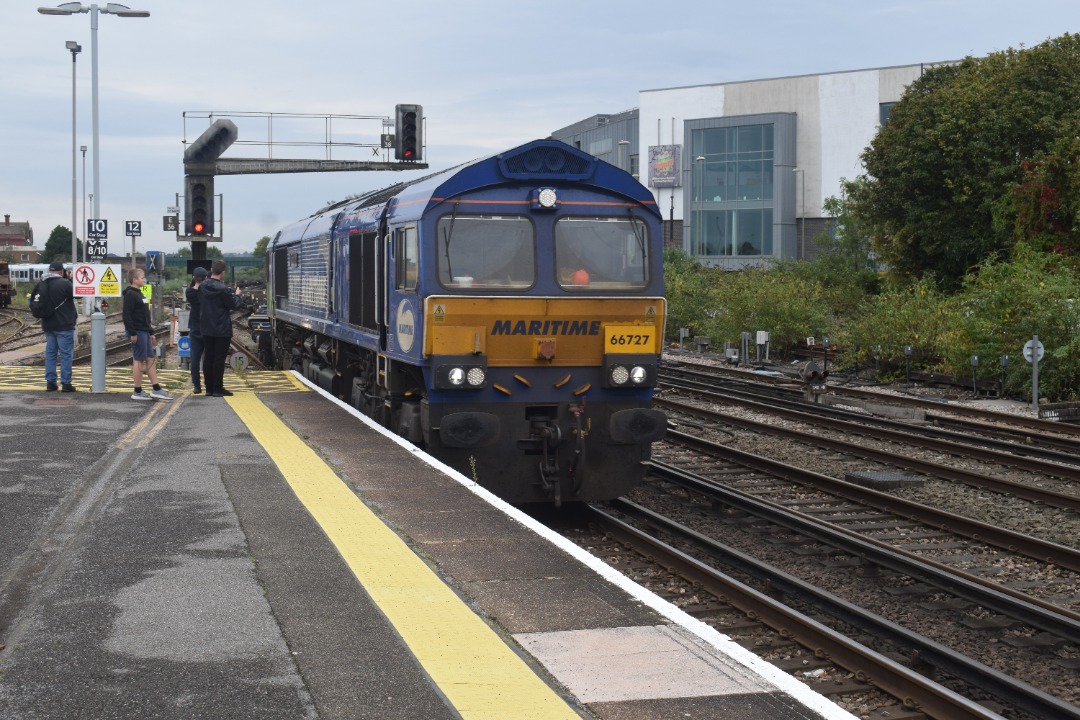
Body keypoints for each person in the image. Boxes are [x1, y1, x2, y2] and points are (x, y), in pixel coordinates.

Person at [122, 267, 172, 401]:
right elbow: (126, 315)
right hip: (137, 331)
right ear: (134, 279)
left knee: (150, 358)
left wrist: (150, 332)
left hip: (144, 331)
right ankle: (137, 391)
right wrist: (132, 333)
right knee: (139, 360)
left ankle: (156, 389)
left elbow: (144, 315)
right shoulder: (130, 294)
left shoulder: (139, 293)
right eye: (142, 277)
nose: (144, 279)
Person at [199, 259, 243, 397]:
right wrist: (237, 295)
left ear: (211, 270)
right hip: (221, 328)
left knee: (208, 357)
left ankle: (208, 388)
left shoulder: (202, 286)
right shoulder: (223, 289)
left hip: (206, 326)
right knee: (219, 358)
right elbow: (234, 305)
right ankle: (218, 388)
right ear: (223, 273)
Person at [38, 261, 77, 392]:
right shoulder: (65, 283)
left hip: (48, 324)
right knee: (65, 354)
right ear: (62, 271)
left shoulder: (42, 283)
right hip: (64, 325)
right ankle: (66, 383)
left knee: (51, 354)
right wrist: (71, 279)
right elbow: (78, 293)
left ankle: (50, 383)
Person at [185, 266, 208, 394]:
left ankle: (196, 385)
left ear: (193, 278)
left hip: (195, 327)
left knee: (195, 357)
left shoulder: (189, 292)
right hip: (208, 327)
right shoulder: (208, 292)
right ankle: (208, 383)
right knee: (208, 357)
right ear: (206, 277)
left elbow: (193, 287)